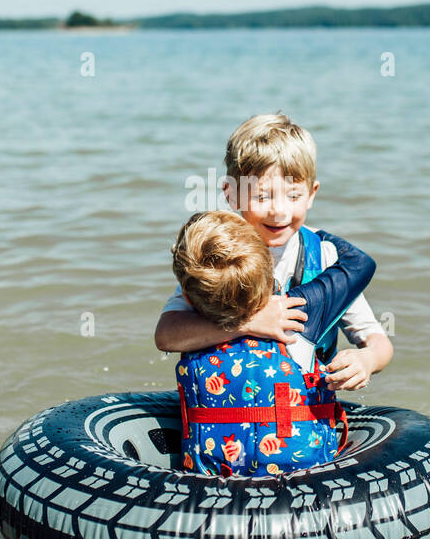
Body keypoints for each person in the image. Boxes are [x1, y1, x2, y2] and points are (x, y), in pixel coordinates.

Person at [155, 112, 393, 390]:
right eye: (262, 196)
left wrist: (366, 360)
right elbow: (166, 335)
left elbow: (377, 341)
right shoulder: (217, 251)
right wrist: (247, 323)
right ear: (230, 194)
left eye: (293, 196)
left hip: (300, 415)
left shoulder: (326, 257)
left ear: (312, 194)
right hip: (228, 412)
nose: (279, 210)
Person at [170, 210, 375, 476]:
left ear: (186, 296)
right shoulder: (299, 312)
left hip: (212, 479)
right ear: (270, 282)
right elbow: (360, 264)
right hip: (304, 478)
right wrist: (313, 234)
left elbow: (164, 333)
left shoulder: (189, 327)